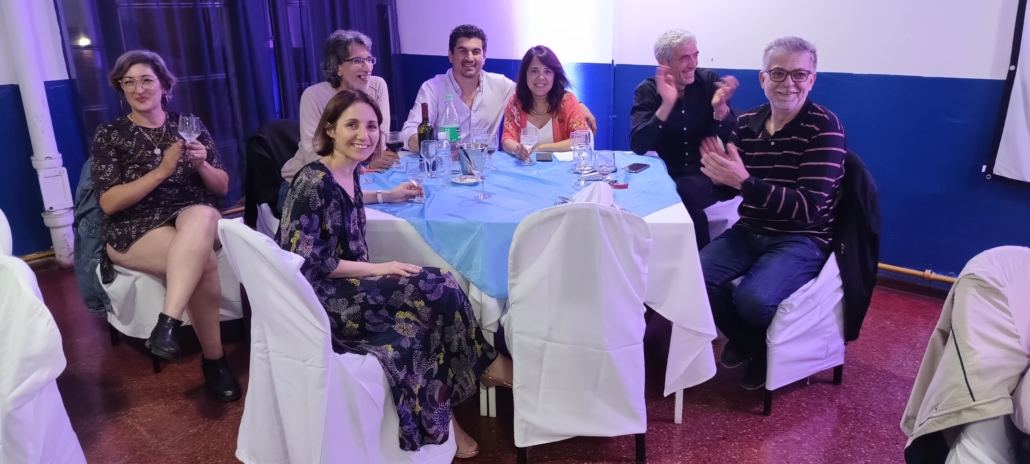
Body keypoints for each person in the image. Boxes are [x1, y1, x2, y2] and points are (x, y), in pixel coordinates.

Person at [277, 89, 513, 458]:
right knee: (435, 286)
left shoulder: (347, 172)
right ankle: (487, 365)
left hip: (349, 287)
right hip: (321, 300)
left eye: (372, 126)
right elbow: (305, 262)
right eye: (352, 125)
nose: (364, 134)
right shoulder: (312, 180)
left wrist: (386, 196)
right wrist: (380, 268)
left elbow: (347, 201)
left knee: (430, 311)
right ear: (330, 129)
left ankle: (451, 417)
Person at [90, 50, 240, 402]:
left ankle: (167, 323)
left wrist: (202, 164)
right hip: (136, 225)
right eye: (128, 82)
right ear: (121, 88)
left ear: (164, 85)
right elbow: (109, 203)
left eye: (146, 80)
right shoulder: (110, 134)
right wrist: (161, 172)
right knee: (202, 260)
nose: (138, 89)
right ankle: (215, 362)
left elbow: (221, 187)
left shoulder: (189, 125)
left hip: (191, 215)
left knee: (202, 214)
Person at [697, 36, 847, 390]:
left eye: (799, 74)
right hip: (751, 228)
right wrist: (719, 176)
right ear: (763, 78)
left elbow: (807, 207)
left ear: (812, 79)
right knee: (694, 280)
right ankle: (757, 347)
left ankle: (752, 344)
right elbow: (730, 189)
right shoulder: (747, 121)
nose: (788, 83)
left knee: (753, 299)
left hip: (802, 236)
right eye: (778, 73)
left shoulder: (825, 127)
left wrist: (745, 181)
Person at [400, 24, 596, 153]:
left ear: (484, 57)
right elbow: (408, 131)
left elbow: (536, 88)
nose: (470, 58)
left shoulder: (499, 85)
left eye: (476, 51)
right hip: (445, 166)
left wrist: (578, 104)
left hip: (486, 167)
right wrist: (438, 151)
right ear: (451, 55)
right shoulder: (433, 89)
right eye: (462, 51)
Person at [630, 29, 739, 249]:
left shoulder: (708, 81)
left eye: (695, 55)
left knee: (682, 192)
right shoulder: (647, 90)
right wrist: (666, 105)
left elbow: (733, 137)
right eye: (684, 58)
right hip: (665, 174)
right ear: (663, 62)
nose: (693, 64)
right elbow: (638, 145)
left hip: (707, 172)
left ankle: (702, 262)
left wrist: (721, 109)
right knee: (672, 190)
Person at [278, 29, 398, 212]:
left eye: (369, 59)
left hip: (354, 180)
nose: (368, 68)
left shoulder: (377, 86)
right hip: (306, 186)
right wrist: (365, 163)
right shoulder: (313, 96)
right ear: (337, 67)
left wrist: (366, 164)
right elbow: (315, 157)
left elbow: (378, 144)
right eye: (358, 61)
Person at [501, 45, 589, 160]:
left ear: (554, 75)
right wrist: (517, 149)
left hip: (561, 169)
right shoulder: (516, 102)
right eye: (534, 71)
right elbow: (507, 138)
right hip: (525, 167)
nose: (541, 77)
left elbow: (581, 138)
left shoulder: (567, 100)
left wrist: (541, 148)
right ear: (525, 74)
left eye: (547, 71)